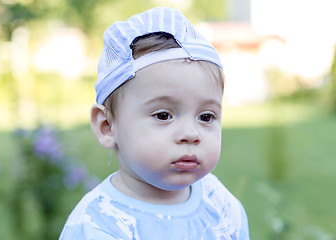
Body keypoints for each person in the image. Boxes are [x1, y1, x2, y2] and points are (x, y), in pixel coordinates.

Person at [60, 7, 249, 240]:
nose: (191, 134)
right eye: (163, 115)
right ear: (107, 126)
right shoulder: (97, 225)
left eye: (206, 117)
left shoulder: (221, 206)